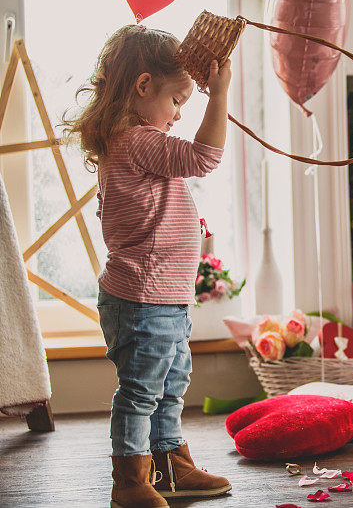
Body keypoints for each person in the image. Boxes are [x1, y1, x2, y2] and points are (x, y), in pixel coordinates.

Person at [64, 25, 232, 508]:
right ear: (142, 87)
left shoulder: (132, 142)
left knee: (170, 385)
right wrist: (218, 95)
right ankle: (130, 481)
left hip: (162, 299)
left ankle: (170, 466)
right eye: (177, 100)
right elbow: (205, 157)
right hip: (142, 299)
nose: (179, 114)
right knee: (141, 392)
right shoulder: (136, 139)